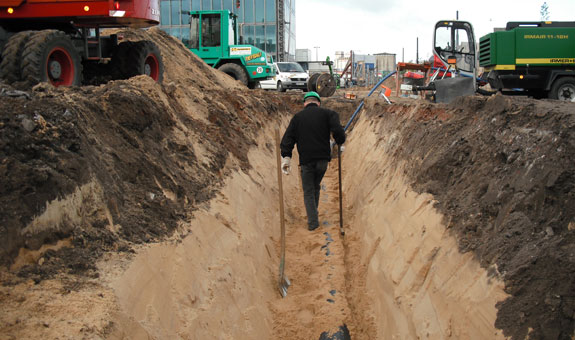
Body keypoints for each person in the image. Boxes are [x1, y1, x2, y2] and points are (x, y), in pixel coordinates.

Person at [280, 91, 346, 231]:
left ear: (305, 103)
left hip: (306, 160)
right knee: (315, 185)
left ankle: (312, 223)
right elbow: (338, 132)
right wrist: (340, 141)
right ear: (318, 102)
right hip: (323, 160)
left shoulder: (297, 118)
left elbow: (288, 139)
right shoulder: (328, 114)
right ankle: (314, 213)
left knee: (308, 190)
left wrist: (286, 157)